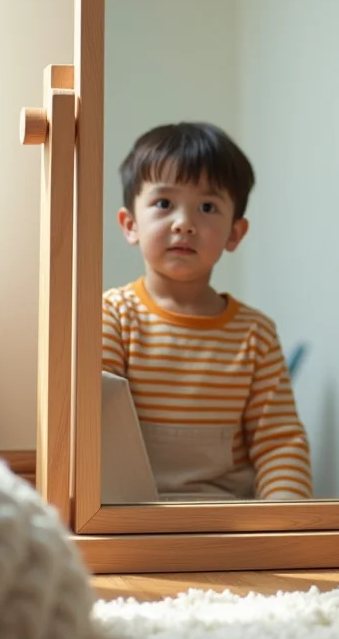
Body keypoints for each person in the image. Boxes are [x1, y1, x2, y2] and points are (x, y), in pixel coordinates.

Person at [101, 121, 312, 501]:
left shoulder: (255, 334)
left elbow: (279, 442)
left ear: (234, 233)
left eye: (207, 207)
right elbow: (93, 419)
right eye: (164, 204)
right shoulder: (113, 315)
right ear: (130, 225)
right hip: (130, 519)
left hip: (228, 520)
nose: (184, 223)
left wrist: (284, 517)